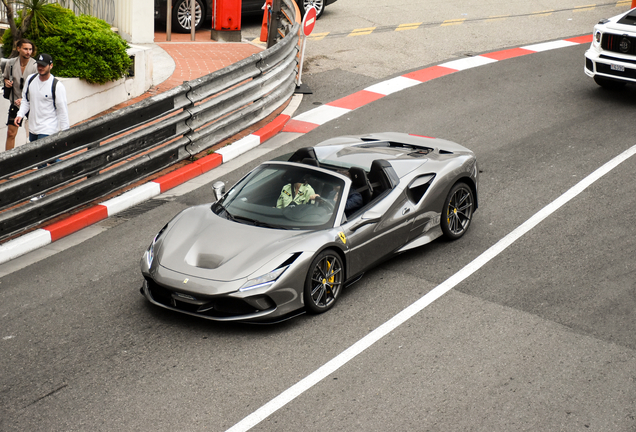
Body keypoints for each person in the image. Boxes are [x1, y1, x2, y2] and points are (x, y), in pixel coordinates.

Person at [15, 53, 69, 143]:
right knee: (36, 156)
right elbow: (26, 100)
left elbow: (62, 111)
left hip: (48, 129)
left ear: (51, 66)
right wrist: (20, 114)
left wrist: (66, 134)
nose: (40, 68)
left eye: (43, 65)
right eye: (39, 65)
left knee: (43, 156)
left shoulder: (57, 86)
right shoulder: (30, 79)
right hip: (32, 128)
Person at [2, 39, 38, 151]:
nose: (28, 52)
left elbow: (38, 87)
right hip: (15, 103)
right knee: (10, 133)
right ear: (18, 49)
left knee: (35, 134)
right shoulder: (11, 63)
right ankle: (7, 161)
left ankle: (37, 161)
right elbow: (6, 77)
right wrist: (6, 82)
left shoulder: (36, 66)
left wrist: (24, 99)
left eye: (30, 49)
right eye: (25, 49)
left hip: (32, 104)